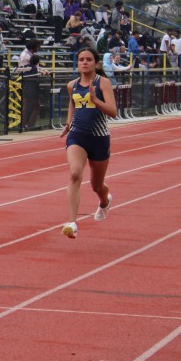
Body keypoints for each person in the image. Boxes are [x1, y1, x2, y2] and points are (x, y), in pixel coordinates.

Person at [59, 47, 117, 239]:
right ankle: (71, 223)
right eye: (81, 59)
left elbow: (113, 112)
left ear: (96, 63)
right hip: (77, 136)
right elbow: (73, 103)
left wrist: (94, 99)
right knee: (75, 174)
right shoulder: (72, 85)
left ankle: (105, 201)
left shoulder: (103, 83)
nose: (84, 62)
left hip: (99, 139)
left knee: (97, 186)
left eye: (89, 59)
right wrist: (69, 123)